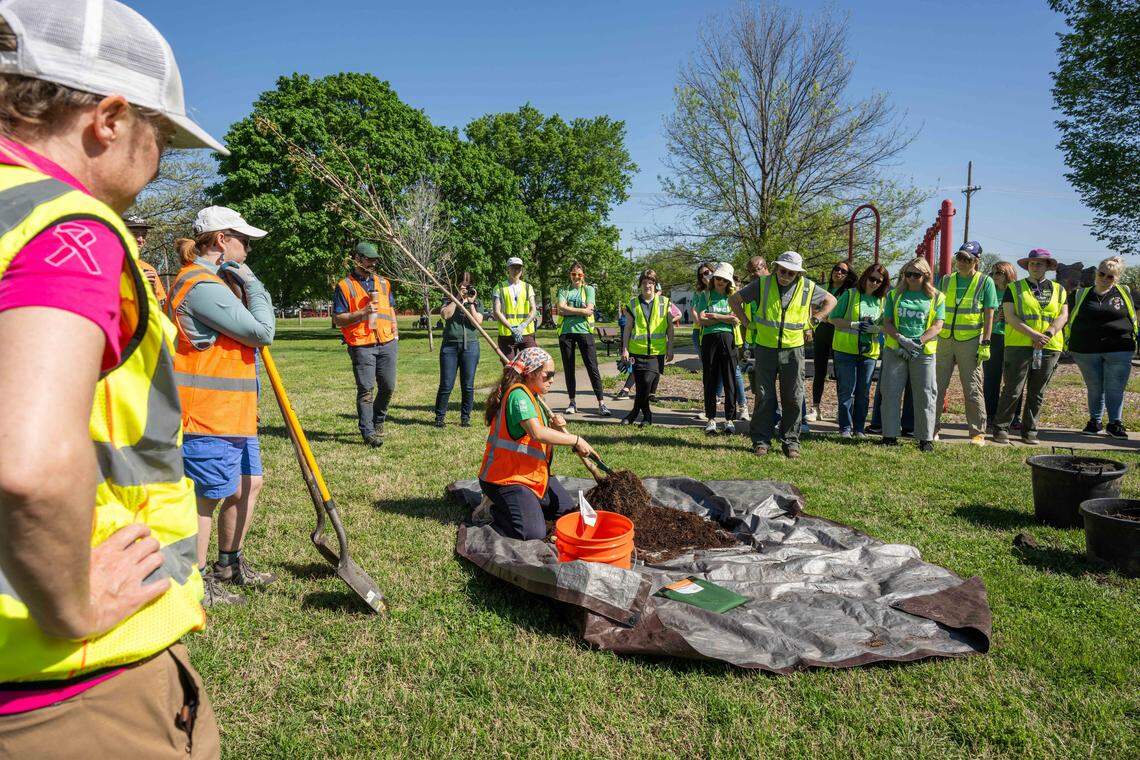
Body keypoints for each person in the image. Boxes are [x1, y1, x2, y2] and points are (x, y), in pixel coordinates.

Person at [0, 1, 221, 755]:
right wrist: (67, 606)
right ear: (111, 119)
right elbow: (25, 465)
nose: (159, 159)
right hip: (58, 690)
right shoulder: (68, 229)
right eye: (160, 136)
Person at [168, 207, 275, 607]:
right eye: (242, 240)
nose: (247, 248)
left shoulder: (216, 283)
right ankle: (193, 585)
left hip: (235, 412)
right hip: (205, 414)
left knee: (249, 483)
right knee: (206, 499)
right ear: (219, 241)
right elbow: (262, 331)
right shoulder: (201, 285)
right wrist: (253, 283)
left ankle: (228, 564)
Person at [479, 347, 598, 540]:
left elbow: (539, 434)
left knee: (568, 514)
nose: (552, 379)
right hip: (506, 478)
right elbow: (537, 433)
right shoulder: (518, 396)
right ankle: (493, 510)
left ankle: (528, 505)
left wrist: (557, 428)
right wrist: (576, 439)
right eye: (547, 375)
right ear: (531, 373)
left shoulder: (533, 396)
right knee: (532, 533)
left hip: (533, 475)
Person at [730, 251, 836, 458]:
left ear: (797, 273)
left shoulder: (807, 286)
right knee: (764, 396)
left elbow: (831, 301)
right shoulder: (762, 284)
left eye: (790, 272)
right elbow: (734, 300)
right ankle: (761, 440)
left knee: (794, 397)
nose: (785, 275)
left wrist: (815, 320)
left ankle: (791, 442)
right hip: (765, 348)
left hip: (794, 349)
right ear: (776, 268)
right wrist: (746, 322)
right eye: (782, 270)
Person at [993, 249, 1070, 445]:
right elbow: (1009, 316)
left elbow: (1063, 315)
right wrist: (1034, 335)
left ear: (1048, 266)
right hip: (1019, 344)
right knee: (1013, 388)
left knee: (1037, 391)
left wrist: (1049, 333)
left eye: (1040, 263)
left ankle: (1030, 431)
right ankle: (1001, 428)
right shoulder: (1015, 288)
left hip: (1049, 346)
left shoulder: (1059, 289)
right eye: (1032, 263)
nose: (1036, 266)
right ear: (1027, 266)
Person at [333, 242, 399, 448]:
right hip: (361, 343)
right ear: (357, 259)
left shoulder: (384, 283)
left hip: (386, 340)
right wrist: (363, 313)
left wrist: (395, 332)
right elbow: (338, 319)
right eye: (369, 259)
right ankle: (368, 432)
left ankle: (378, 419)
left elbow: (391, 309)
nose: (373, 263)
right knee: (366, 390)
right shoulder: (344, 286)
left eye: (374, 259)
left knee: (388, 386)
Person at [933, 241, 999, 446]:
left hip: (970, 342)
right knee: (936, 386)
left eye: (966, 259)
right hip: (943, 340)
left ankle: (977, 432)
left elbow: (989, 315)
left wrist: (986, 342)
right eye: (959, 257)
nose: (960, 262)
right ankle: (932, 427)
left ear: (976, 261)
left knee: (972, 388)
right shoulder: (945, 280)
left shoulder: (985, 282)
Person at [1065, 255, 1136, 438]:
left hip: (1119, 347)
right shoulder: (1081, 294)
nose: (1104, 278)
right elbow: (1065, 316)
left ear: (1117, 278)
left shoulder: (1124, 292)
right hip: (1086, 349)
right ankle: (1094, 422)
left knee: (1115, 387)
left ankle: (1115, 424)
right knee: (1094, 387)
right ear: (1096, 273)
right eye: (1102, 273)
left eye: (1110, 276)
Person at [880, 258, 946, 452]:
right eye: (907, 274)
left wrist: (918, 342)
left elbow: (938, 325)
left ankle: (925, 438)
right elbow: (888, 322)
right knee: (891, 392)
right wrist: (901, 339)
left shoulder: (937, 297)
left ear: (926, 275)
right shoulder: (894, 295)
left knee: (926, 394)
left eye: (915, 274)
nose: (911, 278)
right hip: (896, 349)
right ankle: (889, 435)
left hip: (923, 352)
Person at [828, 264, 889, 437]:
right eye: (872, 278)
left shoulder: (883, 301)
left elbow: (887, 325)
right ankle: (845, 428)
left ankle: (859, 428)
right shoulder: (850, 294)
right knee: (846, 391)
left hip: (869, 352)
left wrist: (877, 329)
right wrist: (853, 325)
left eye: (879, 281)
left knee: (863, 392)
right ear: (865, 277)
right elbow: (833, 319)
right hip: (845, 350)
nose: (874, 283)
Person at [621, 270, 675, 426]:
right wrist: (624, 349)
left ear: (655, 284)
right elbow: (628, 328)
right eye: (644, 282)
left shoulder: (665, 302)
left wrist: (670, 347)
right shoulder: (633, 304)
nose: (647, 286)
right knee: (641, 386)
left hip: (656, 353)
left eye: (650, 282)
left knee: (646, 382)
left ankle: (634, 413)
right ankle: (646, 416)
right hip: (636, 351)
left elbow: (670, 328)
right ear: (640, 285)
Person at [556, 262, 610, 416]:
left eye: (579, 274)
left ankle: (602, 403)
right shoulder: (564, 290)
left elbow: (590, 310)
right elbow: (561, 308)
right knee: (569, 368)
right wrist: (581, 310)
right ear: (570, 275)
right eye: (573, 274)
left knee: (592, 367)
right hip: (566, 333)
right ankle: (572, 402)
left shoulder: (589, 289)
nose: (576, 277)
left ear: (583, 275)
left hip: (585, 332)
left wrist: (569, 310)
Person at [807, 260, 856, 421]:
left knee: (840, 373)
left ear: (848, 276)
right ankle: (815, 408)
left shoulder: (849, 292)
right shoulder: (823, 289)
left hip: (838, 334)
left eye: (843, 271)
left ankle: (840, 410)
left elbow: (841, 316)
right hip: (821, 333)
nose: (839, 273)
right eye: (837, 269)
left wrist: (825, 316)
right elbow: (813, 309)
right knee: (819, 371)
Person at [695, 262, 741, 434]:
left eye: (724, 279)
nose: (720, 281)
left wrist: (714, 315)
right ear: (713, 278)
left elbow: (736, 320)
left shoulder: (734, 296)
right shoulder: (705, 295)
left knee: (730, 380)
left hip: (729, 340)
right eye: (718, 278)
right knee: (710, 379)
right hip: (709, 339)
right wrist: (725, 318)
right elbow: (701, 320)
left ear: (729, 281)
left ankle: (729, 420)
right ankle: (711, 419)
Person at [434, 273, 483, 428]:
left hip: (471, 347)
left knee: (468, 384)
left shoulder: (475, 301)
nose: (465, 289)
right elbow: (445, 315)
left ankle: (465, 417)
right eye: (462, 285)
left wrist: (471, 303)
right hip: (450, 346)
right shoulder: (448, 299)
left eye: (467, 286)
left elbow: (478, 323)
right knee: (446, 384)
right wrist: (457, 300)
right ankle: (439, 417)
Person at [983, 261, 1020, 431]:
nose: (995, 276)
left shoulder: (1016, 292)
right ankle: (990, 415)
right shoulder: (989, 291)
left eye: (999, 272)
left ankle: (1013, 416)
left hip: (1013, 339)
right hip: (994, 338)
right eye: (993, 273)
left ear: (1008, 274)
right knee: (991, 379)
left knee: (1013, 380)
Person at [492, 255, 537, 359]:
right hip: (507, 335)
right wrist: (511, 328)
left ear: (521, 270)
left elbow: (533, 309)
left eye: (518, 268)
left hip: (526, 333)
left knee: (532, 364)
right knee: (510, 368)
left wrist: (523, 325)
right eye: (513, 267)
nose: (516, 270)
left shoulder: (528, 287)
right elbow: (496, 312)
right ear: (508, 269)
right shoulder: (499, 287)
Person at [123, 214, 166, 306]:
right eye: (134, 234)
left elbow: (159, 307)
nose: (140, 239)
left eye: (144, 235)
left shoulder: (149, 269)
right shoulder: (107, 265)